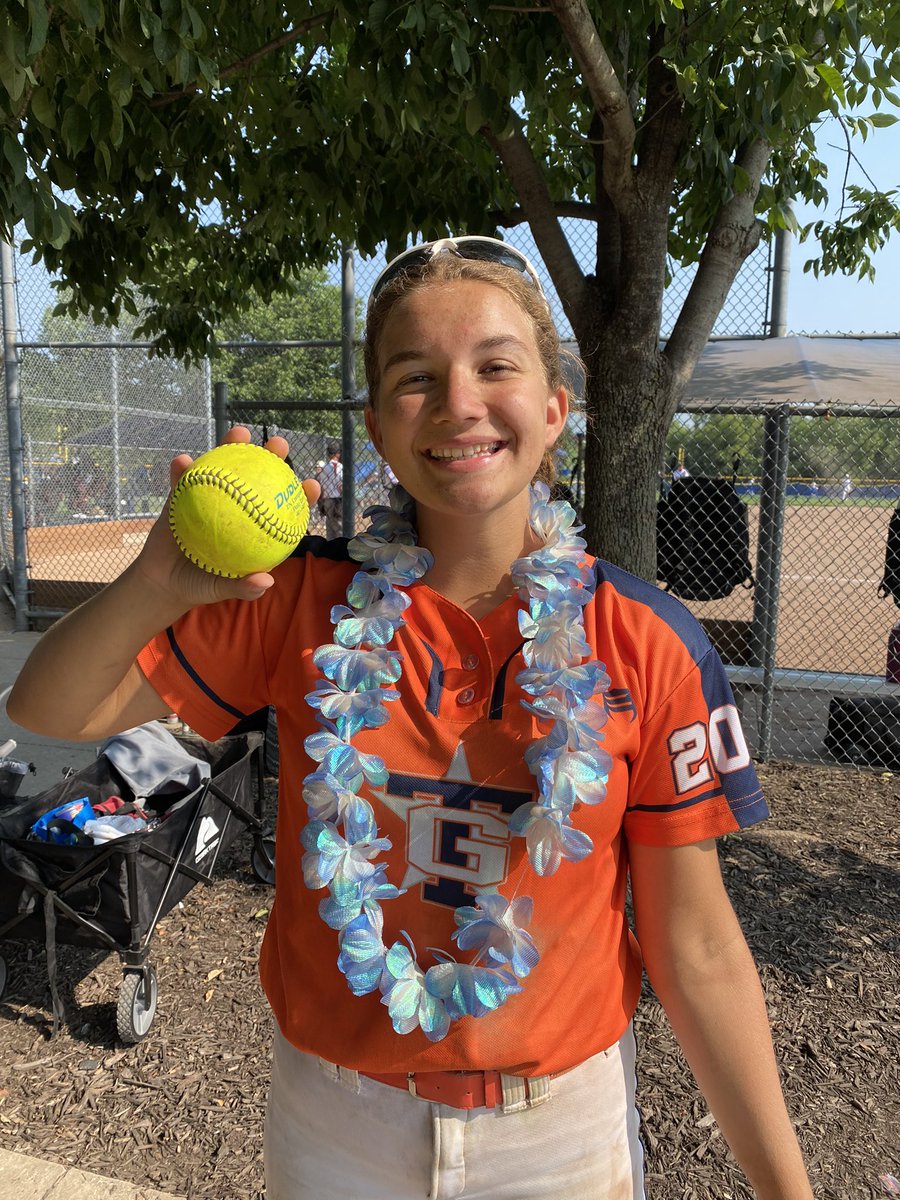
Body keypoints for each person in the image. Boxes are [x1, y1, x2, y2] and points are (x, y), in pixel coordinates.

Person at [8, 235, 814, 1200]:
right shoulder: (295, 602)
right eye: (415, 377)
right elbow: (46, 705)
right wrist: (156, 583)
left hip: (557, 1133)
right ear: (380, 429)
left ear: (555, 411)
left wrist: (786, 1190)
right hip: (338, 1122)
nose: (460, 403)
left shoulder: (647, 642)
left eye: (496, 366)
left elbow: (698, 945)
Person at [316, 443, 343, 538]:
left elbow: (321, 486)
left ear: (328, 455)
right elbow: (341, 485)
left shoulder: (324, 469)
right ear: (338, 454)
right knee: (339, 527)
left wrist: (321, 502)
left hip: (327, 500)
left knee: (330, 525)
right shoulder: (341, 467)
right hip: (338, 500)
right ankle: (341, 547)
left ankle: (330, 548)